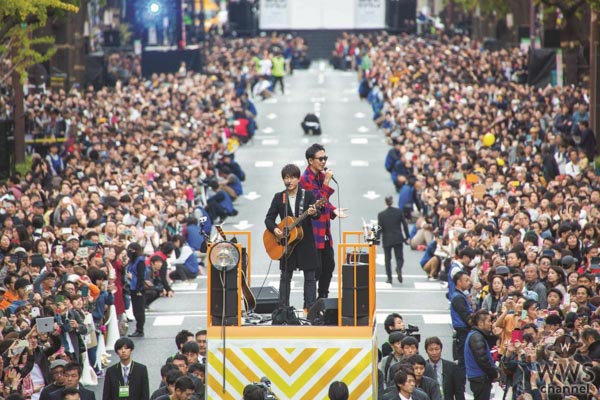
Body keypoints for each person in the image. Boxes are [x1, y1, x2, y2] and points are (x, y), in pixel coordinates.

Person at [265, 164, 320, 311]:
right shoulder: (279, 197)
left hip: (305, 242)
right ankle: (283, 308)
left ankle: (310, 308)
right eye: (285, 178)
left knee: (310, 277)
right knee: (285, 277)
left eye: (291, 177)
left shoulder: (307, 195)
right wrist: (275, 229)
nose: (288, 181)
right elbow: (269, 219)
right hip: (286, 243)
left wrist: (313, 212)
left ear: (298, 178)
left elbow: (317, 215)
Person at [299, 144, 348, 299]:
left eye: (325, 158)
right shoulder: (305, 179)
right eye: (320, 159)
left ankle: (323, 300)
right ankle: (311, 305)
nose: (324, 162)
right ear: (310, 160)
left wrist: (333, 209)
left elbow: (325, 201)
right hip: (312, 232)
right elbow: (317, 200)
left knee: (329, 266)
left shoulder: (320, 175)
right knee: (316, 270)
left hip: (324, 231)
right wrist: (326, 182)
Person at [465, 310, 497, 400]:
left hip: (479, 378)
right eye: (489, 321)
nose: (491, 324)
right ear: (480, 323)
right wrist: (494, 373)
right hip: (480, 378)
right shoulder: (476, 337)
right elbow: (482, 360)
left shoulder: (477, 335)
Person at [377, 195, 410, 283]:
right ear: (392, 201)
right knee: (399, 257)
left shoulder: (381, 214)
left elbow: (379, 228)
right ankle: (398, 268)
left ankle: (389, 278)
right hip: (398, 237)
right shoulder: (399, 212)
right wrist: (407, 237)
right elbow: (405, 225)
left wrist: (376, 240)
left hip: (387, 239)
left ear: (385, 202)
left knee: (387, 259)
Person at [126, 243, 148, 337]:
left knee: (139, 310)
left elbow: (141, 276)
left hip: (138, 288)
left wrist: (139, 289)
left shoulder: (140, 261)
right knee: (135, 310)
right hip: (132, 287)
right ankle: (138, 329)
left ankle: (140, 329)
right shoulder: (132, 261)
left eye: (131, 250)